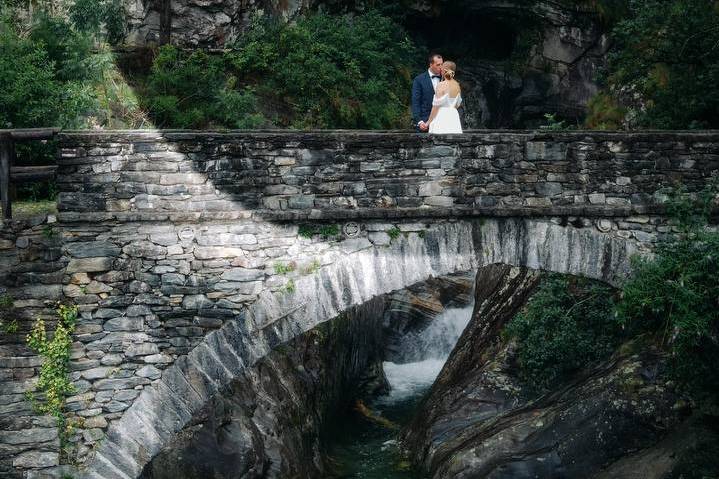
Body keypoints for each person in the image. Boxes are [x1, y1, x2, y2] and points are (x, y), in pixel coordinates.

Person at [427, 61, 463, 134]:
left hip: (442, 117)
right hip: (454, 117)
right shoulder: (457, 85)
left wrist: (428, 122)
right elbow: (456, 105)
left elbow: (435, 107)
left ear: (444, 71)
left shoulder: (441, 85)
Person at [411, 53, 444, 132]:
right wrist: (419, 121)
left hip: (443, 121)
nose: (441, 67)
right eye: (438, 65)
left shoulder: (446, 79)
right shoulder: (419, 79)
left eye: (442, 64)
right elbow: (415, 101)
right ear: (431, 64)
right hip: (425, 122)